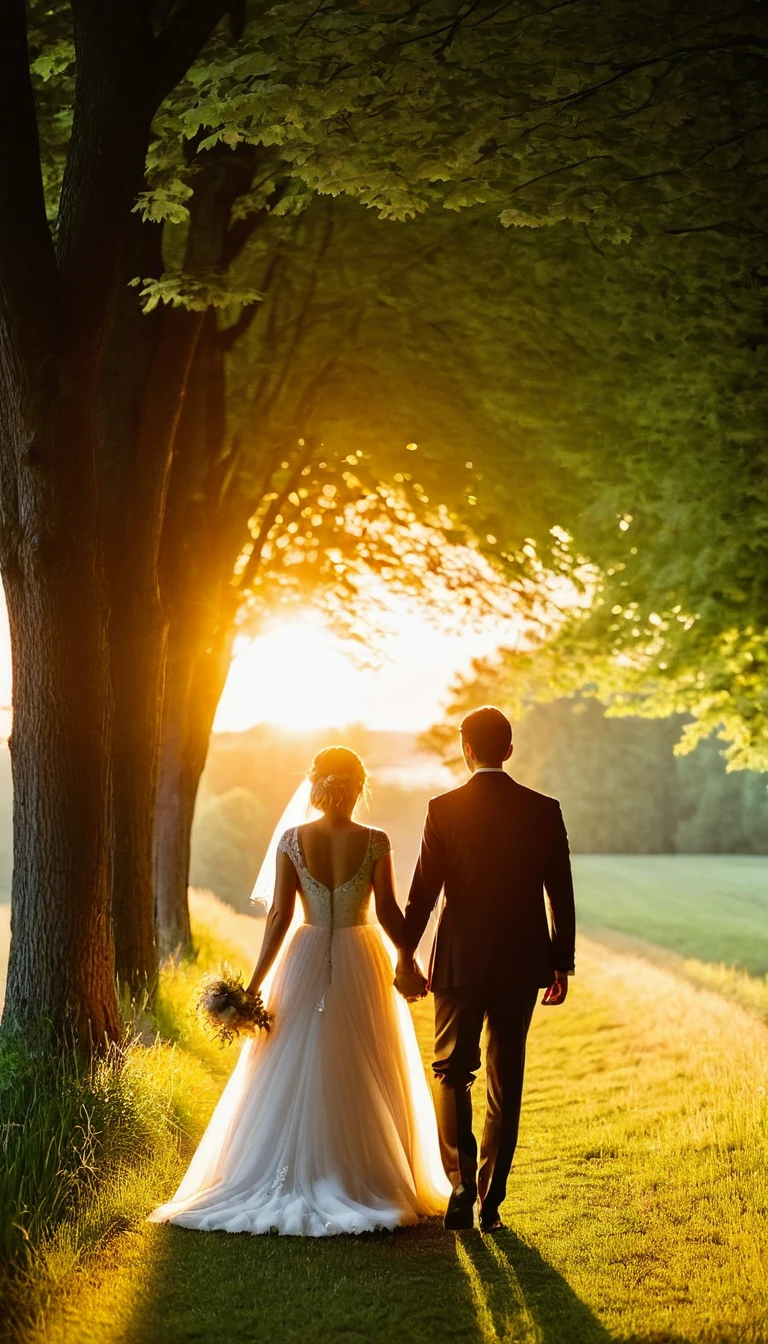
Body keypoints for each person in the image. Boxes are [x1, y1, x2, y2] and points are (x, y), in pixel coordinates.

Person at [149, 745, 448, 1237]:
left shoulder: (292, 839)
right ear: (359, 785)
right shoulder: (375, 840)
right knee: (362, 1056)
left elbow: (279, 918)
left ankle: (291, 1168)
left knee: (293, 1054)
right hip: (363, 954)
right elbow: (390, 912)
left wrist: (252, 986)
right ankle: (363, 1172)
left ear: (316, 784)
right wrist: (407, 960)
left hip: (303, 955)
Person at [395, 706, 575, 1233]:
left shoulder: (443, 808)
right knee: (506, 1077)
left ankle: (459, 1188)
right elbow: (559, 894)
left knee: (452, 1072)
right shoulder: (544, 809)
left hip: (459, 959)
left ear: (466, 750)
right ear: (510, 750)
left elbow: (422, 893)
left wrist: (406, 955)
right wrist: (560, 962)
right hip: (523, 961)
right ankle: (491, 1202)